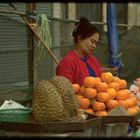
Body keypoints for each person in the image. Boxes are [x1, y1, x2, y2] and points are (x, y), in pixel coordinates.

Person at [56, 17, 118, 86]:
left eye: (96, 43)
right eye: (92, 41)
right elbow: (65, 92)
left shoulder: (93, 60)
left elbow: (101, 82)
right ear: (79, 38)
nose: (94, 46)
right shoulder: (67, 63)